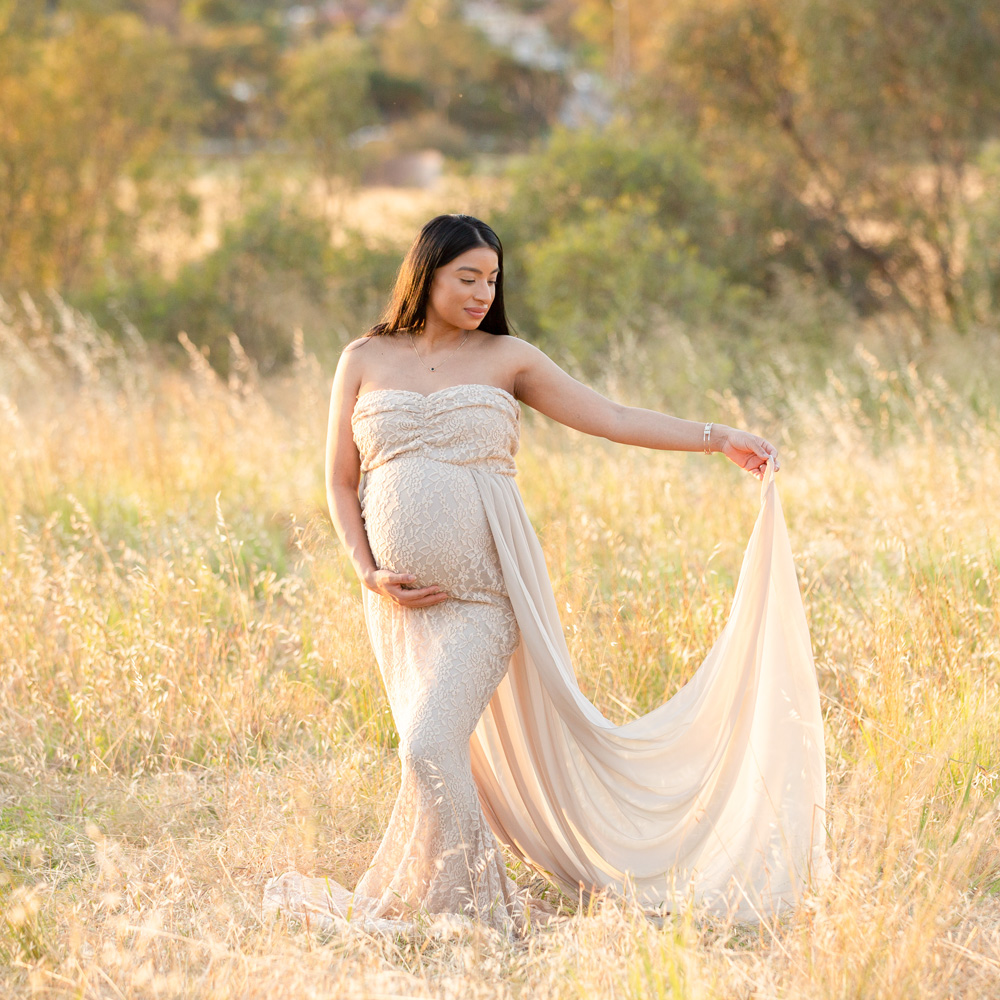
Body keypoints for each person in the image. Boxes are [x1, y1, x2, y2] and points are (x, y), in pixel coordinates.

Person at [263, 214, 827, 937]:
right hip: (399, 605)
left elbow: (611, 416)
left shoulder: (508, 358)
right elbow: (341, 482)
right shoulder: (363, 358)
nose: (483, 293)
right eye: (468, 277)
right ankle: (452, 902)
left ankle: (482, 914)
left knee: (427, 747)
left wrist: (718, 439)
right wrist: (367, 571)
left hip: (486, 596)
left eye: (492, 280)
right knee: (436, 751)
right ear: (425, 273)